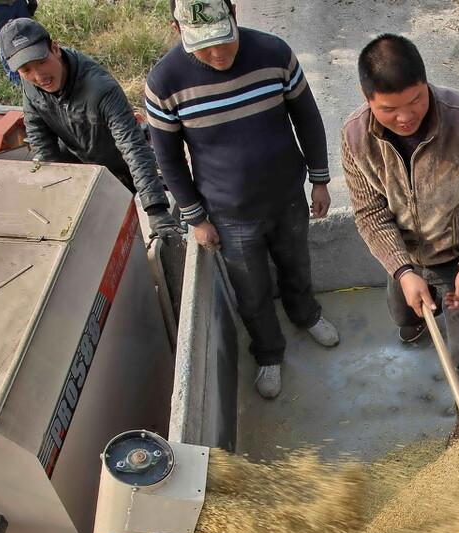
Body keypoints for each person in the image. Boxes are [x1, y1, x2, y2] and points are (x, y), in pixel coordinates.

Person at [145, 0, 339, 399]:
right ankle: (269, 351)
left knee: (296, 263)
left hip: (286, 197)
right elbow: (167, 158)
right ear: (178, 30)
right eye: (204, 45)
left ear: (234, 14)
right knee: (250, 289)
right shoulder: (164, 83)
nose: (218, 54)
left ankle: (306, 314)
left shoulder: (274, 53)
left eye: (224, 40)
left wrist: (319, 179)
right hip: (229, 213)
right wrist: (196, 217)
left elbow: (307, 116)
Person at [341, 34, 459, 442]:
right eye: (389, 109)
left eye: (416, 101)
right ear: (368, 99)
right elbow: (370, 212)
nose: (405, 117)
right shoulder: (355, 137)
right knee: (404, 314)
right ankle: (415, 324)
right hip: (404, 256)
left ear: (426, 83)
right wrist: (403, 271)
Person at [0, 19, 178, 237]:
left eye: (41, 61)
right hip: (81, 170)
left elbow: (132, 147)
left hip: (122, 169)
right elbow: (42, 146)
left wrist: (156, 209)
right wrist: (59, 198)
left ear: (55, 48)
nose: (38, 76)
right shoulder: (31, 88)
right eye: (26, 70)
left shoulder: (100, 89)